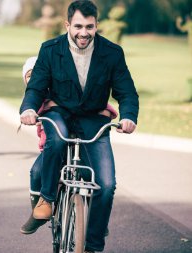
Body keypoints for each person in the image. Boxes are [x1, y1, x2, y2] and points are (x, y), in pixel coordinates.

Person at [19, 1, 139, 252]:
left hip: (94, 119)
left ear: (96, 25)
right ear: (67, 25)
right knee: (58, 139)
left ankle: (93, 246)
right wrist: (28, 108)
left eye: (89, 26)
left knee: (106, 185)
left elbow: (127, 92)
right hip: (59, 113)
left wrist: (129, 116)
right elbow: (36, 86)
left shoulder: (112, 53)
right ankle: (47, 199)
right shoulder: (50, 49)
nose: (83, 32)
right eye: (78, 26)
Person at [19, 56, 118, 235]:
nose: (34, 79)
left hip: (80, 141)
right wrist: (30, 113)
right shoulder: (39, 100)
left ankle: (95, 218)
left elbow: (99, 105)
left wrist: (106, 112)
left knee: (91, 176)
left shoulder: (65, 91)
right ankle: (39, 212)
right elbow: (34, 103)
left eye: (37, 75)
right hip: (54, 151)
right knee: (36, 172)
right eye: (29, 77)